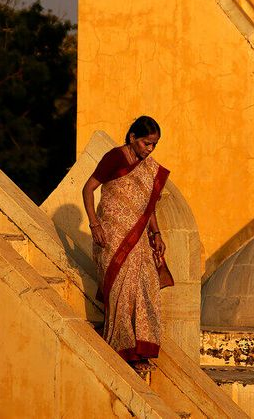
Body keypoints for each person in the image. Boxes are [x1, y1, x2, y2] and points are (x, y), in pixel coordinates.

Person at [82, 116, 174, 370]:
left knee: (145, 287)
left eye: (154, 144)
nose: (150, 149)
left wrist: (157, 235)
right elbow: (88, 188)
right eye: (146, 143)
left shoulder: (149, 168)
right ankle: (123, 349)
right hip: (112, 234)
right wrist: (94, 224)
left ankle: (141, 348)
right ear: (132, 137)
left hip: (140, 238)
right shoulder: (115, 158)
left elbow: (149, 207)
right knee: (121, 291)